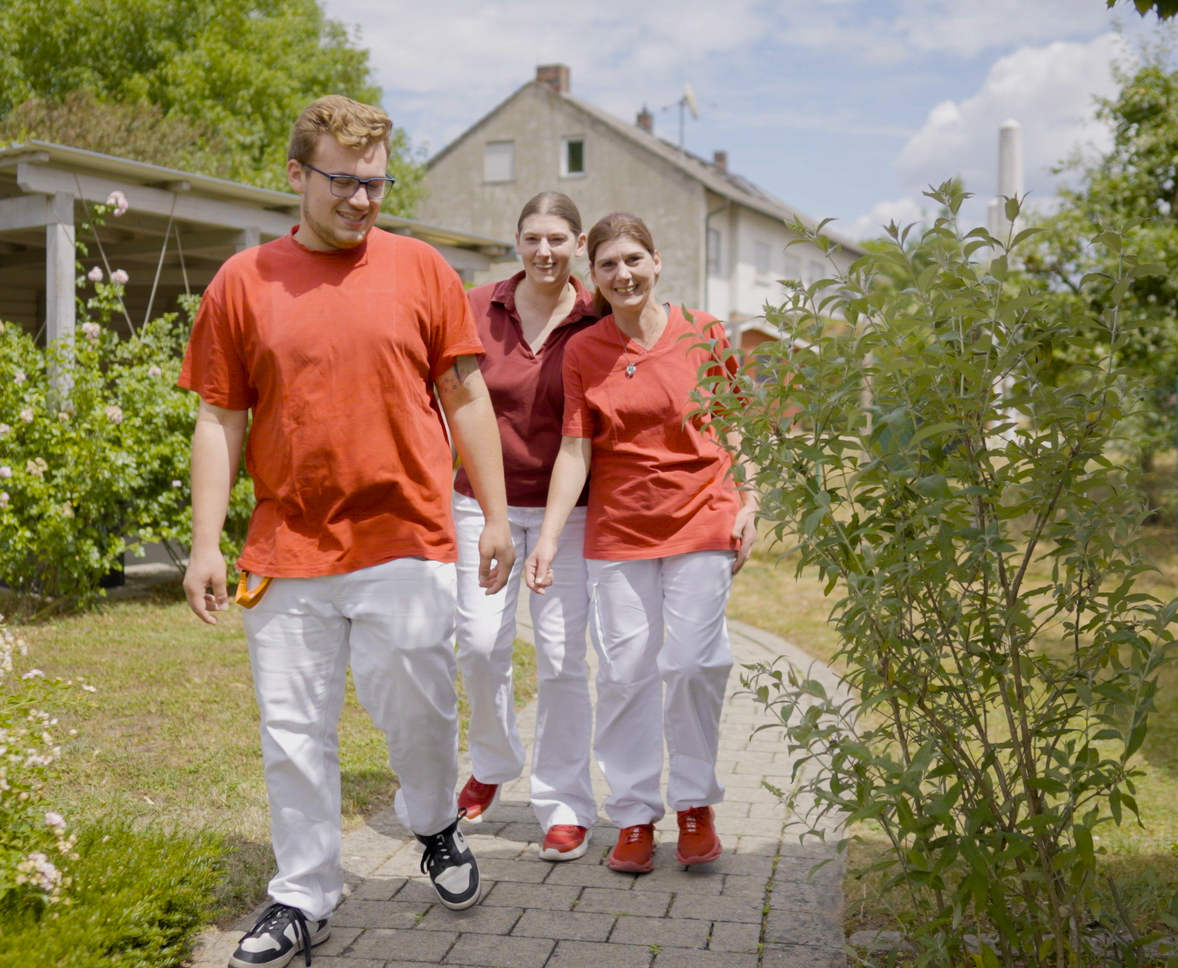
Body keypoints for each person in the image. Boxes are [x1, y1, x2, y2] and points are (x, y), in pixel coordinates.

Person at [180, 94, 516, 968]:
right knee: (292, 729)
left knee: (419, 705)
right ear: (296, 175)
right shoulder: (244, 283)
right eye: (343, 181)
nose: (363, 199)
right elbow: (220, 420)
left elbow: (466, 397)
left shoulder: (421, 270)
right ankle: (302, 893)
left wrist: (496, 513)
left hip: (404, 532)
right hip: (285, 545)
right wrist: (206, 543)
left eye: (375, 183)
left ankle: (436, 823)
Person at [525, 212, 758, 874]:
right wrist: (546, 539)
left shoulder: (706, 334)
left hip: (703, 517)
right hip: (619, 530)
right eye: (608, 264)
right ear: (592, 275)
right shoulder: (586, 351)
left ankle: (693, 804)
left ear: (657, 262)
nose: (622, 274)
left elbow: (737, 425)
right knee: (626, 673)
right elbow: (575, 449)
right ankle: (632, 814)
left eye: (633, 259)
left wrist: (752, 502)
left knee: (690, 665)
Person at [449, 192, 602, 862]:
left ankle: (565, 803)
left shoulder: (601, 315)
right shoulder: (476, 307)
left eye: (559, 239)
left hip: (571, 511)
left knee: (566, 659)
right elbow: (443, 399)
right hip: (481, 501)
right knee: (480, 645)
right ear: (516, 241)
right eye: (533, 238)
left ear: (577, 243)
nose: (545, 251)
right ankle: (492, 761)